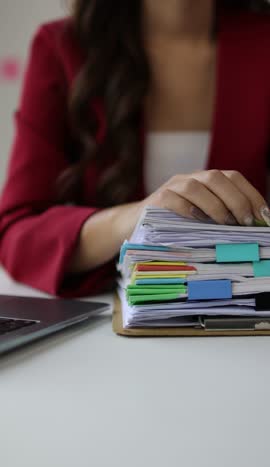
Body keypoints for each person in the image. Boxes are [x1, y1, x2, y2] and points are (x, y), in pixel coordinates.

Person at [0, 0, 270, 297]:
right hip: (107, 324)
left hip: (246, 314)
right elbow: (16, 233)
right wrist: (134, 218)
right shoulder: (62, 47)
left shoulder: (262, 42)